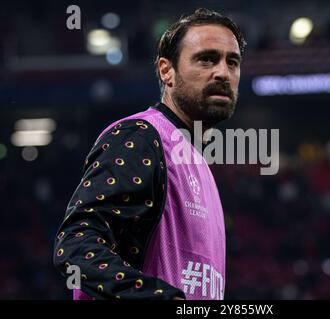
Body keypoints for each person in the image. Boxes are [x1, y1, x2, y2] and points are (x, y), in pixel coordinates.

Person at [53, 8, 246, 300]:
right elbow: (75, 246)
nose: (222, 72)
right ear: (166, 70)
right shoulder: (141, 138)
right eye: (206, 59)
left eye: (232, 62)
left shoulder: (198, 163)